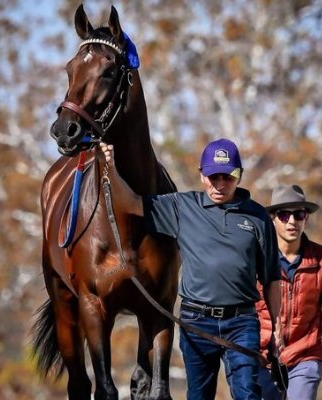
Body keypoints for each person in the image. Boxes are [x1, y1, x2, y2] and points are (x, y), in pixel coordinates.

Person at [99, 138, 282, 400]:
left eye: (227, 177)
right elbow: (130, 203)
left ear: (239, 176)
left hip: (242, 322)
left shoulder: (258, 217)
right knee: (198, 396)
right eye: (213, 176)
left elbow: (272, 278)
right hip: (197, 320)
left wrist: (276, 327)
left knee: (248, 393)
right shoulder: (182, 206)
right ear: (201, 175)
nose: (220, 184)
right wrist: (110, 168)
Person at [257, 184, 322, 400]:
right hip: (260, 358)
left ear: (306, 218)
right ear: (272, 218)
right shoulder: (256, 257)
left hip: (305, 356)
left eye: (299, 214)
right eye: (284, 214)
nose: (292, 221)